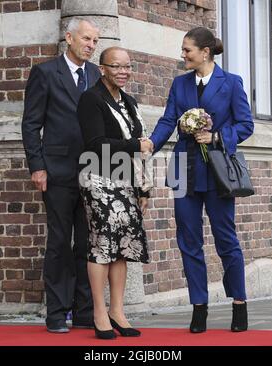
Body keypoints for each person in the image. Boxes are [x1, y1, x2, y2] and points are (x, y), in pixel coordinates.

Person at [148, 27, 254, 333]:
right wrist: (151, 145)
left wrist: (218, 135)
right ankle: (199, 306)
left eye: (187, 50)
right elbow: (169, 119)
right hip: (183, 168)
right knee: (188, 241)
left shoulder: (231, 83)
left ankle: (239, 302)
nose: (183, 55)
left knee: (226, 239)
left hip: (218, 171)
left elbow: (245, 124)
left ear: (204, 52)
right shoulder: (179, 83)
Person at [22, 18, 101, 333]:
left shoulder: (96, 75)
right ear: (69, 38)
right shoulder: (44, 73)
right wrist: (37, 166)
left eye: (95, 41)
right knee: (58, 243)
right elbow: (31, 124)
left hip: (92, 174)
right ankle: (56, 313)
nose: (91, 45)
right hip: (56, 172)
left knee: (86, 244)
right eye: (86, 39)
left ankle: (84, 312)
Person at [77, 47, 152, 339]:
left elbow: (141, 148)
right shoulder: (91, 99)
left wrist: (143, 187)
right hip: (98, 180)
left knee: (122, 248)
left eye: (127, 67)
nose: (123, 71)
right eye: (116, 66)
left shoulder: (130, 102)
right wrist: (136, 145)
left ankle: (117, 311)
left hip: (127, 181)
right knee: (102, 246)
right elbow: (95, 143)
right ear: (102, 68)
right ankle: (99, 312)